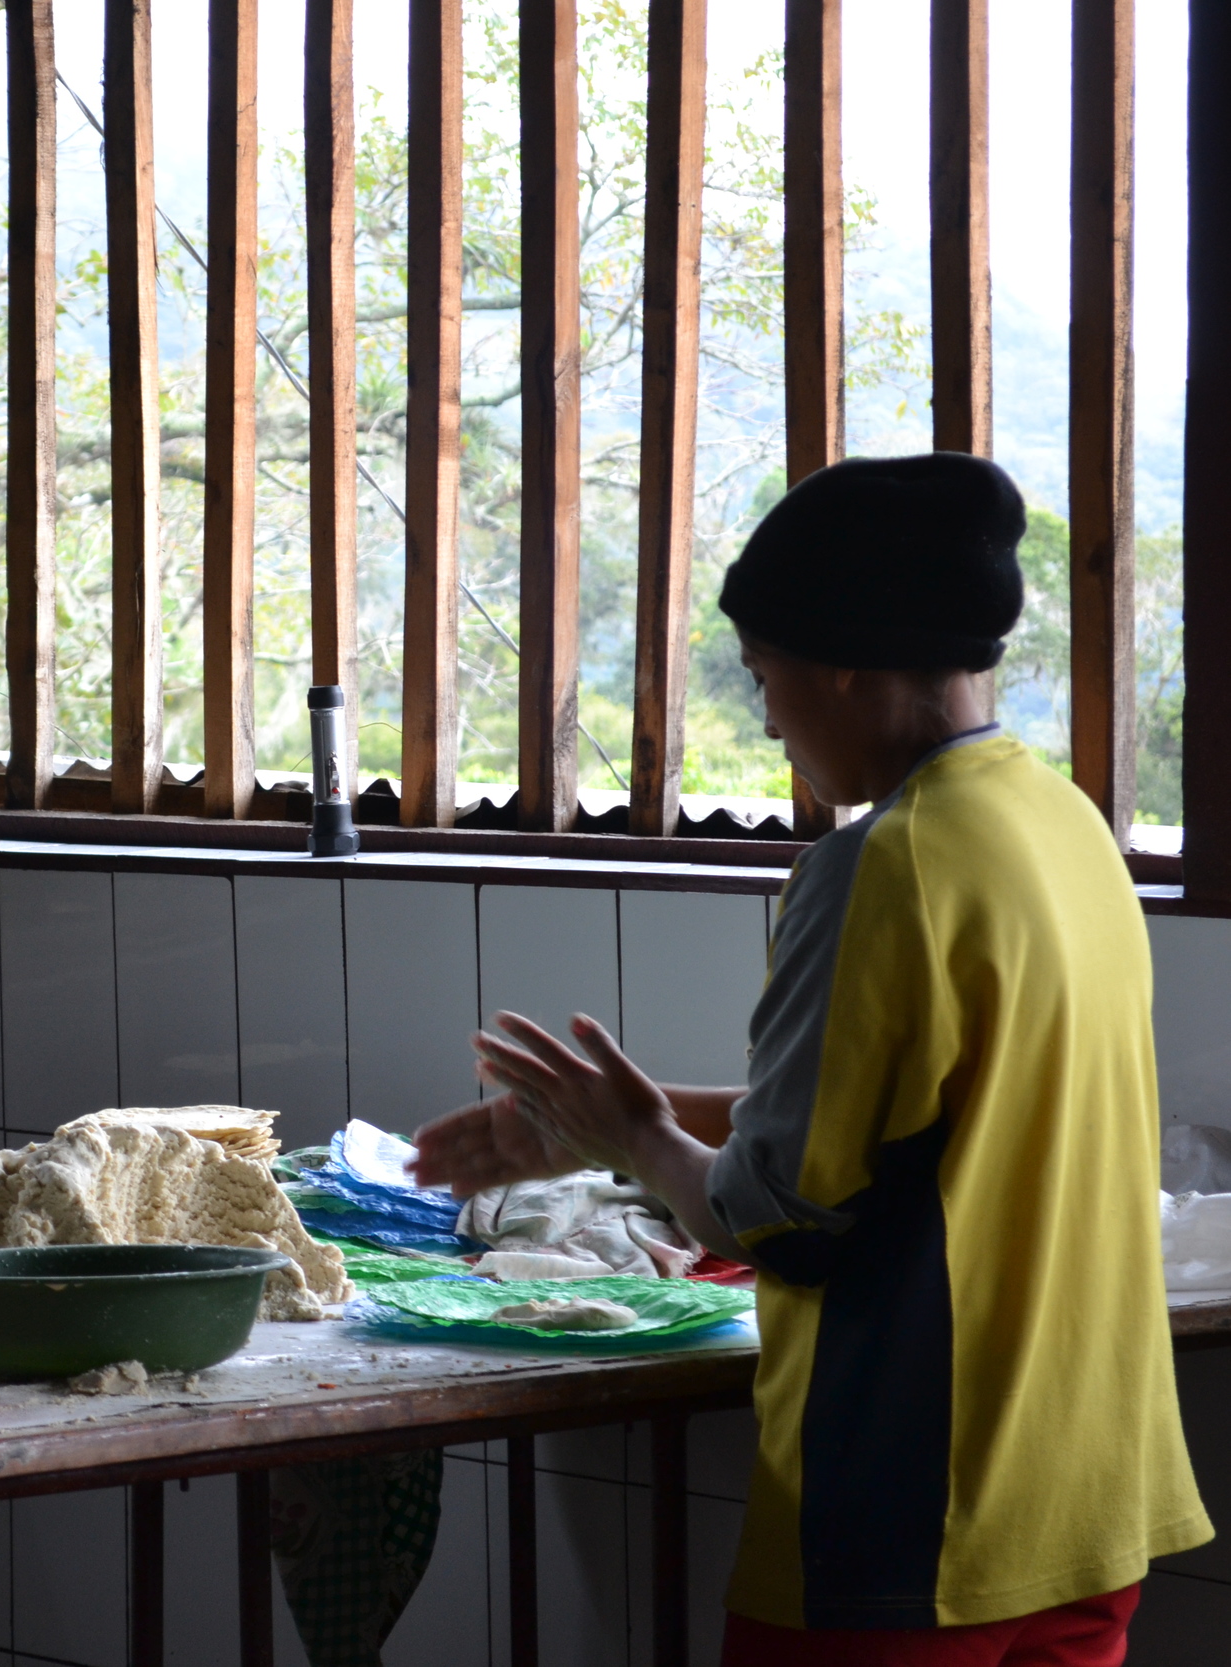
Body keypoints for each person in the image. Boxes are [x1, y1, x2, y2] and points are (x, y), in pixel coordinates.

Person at [411, 453, 1211, 1667]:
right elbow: (932, 1119)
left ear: (842, 657)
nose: (771, 713)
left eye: (764, 672)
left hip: (916, 1518)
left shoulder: (882, 862)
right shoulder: (1065, 825)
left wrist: (638, 1143)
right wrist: (610, 1118)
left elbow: (778, 1218)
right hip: (1090, 1498)